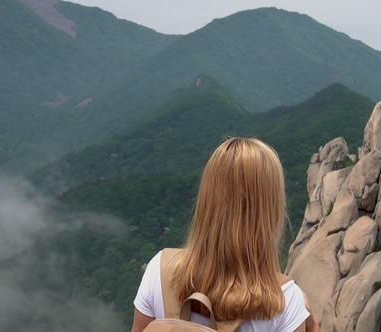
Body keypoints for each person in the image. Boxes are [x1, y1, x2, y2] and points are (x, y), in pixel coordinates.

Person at [132, 137, 319, 332]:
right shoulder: (285, 300)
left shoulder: (159, 268)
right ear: (271, 209)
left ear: (207, 199)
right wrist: (312, 325)